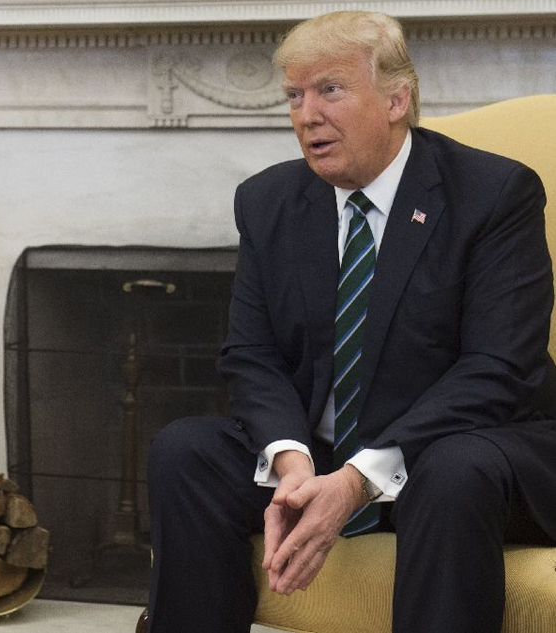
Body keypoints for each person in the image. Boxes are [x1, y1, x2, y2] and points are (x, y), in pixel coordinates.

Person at [146, 10, 556, 633]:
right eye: (294, 95)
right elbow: (251, 355)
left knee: (451, 471)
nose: (306, 115)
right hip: (323, 454)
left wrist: (361, 476)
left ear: (397, 99)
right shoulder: (269, 201)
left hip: (467, 446)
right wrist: (292, 462)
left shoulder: (494, 194)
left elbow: (500, 368)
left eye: (329, 90)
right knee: (186, 451)